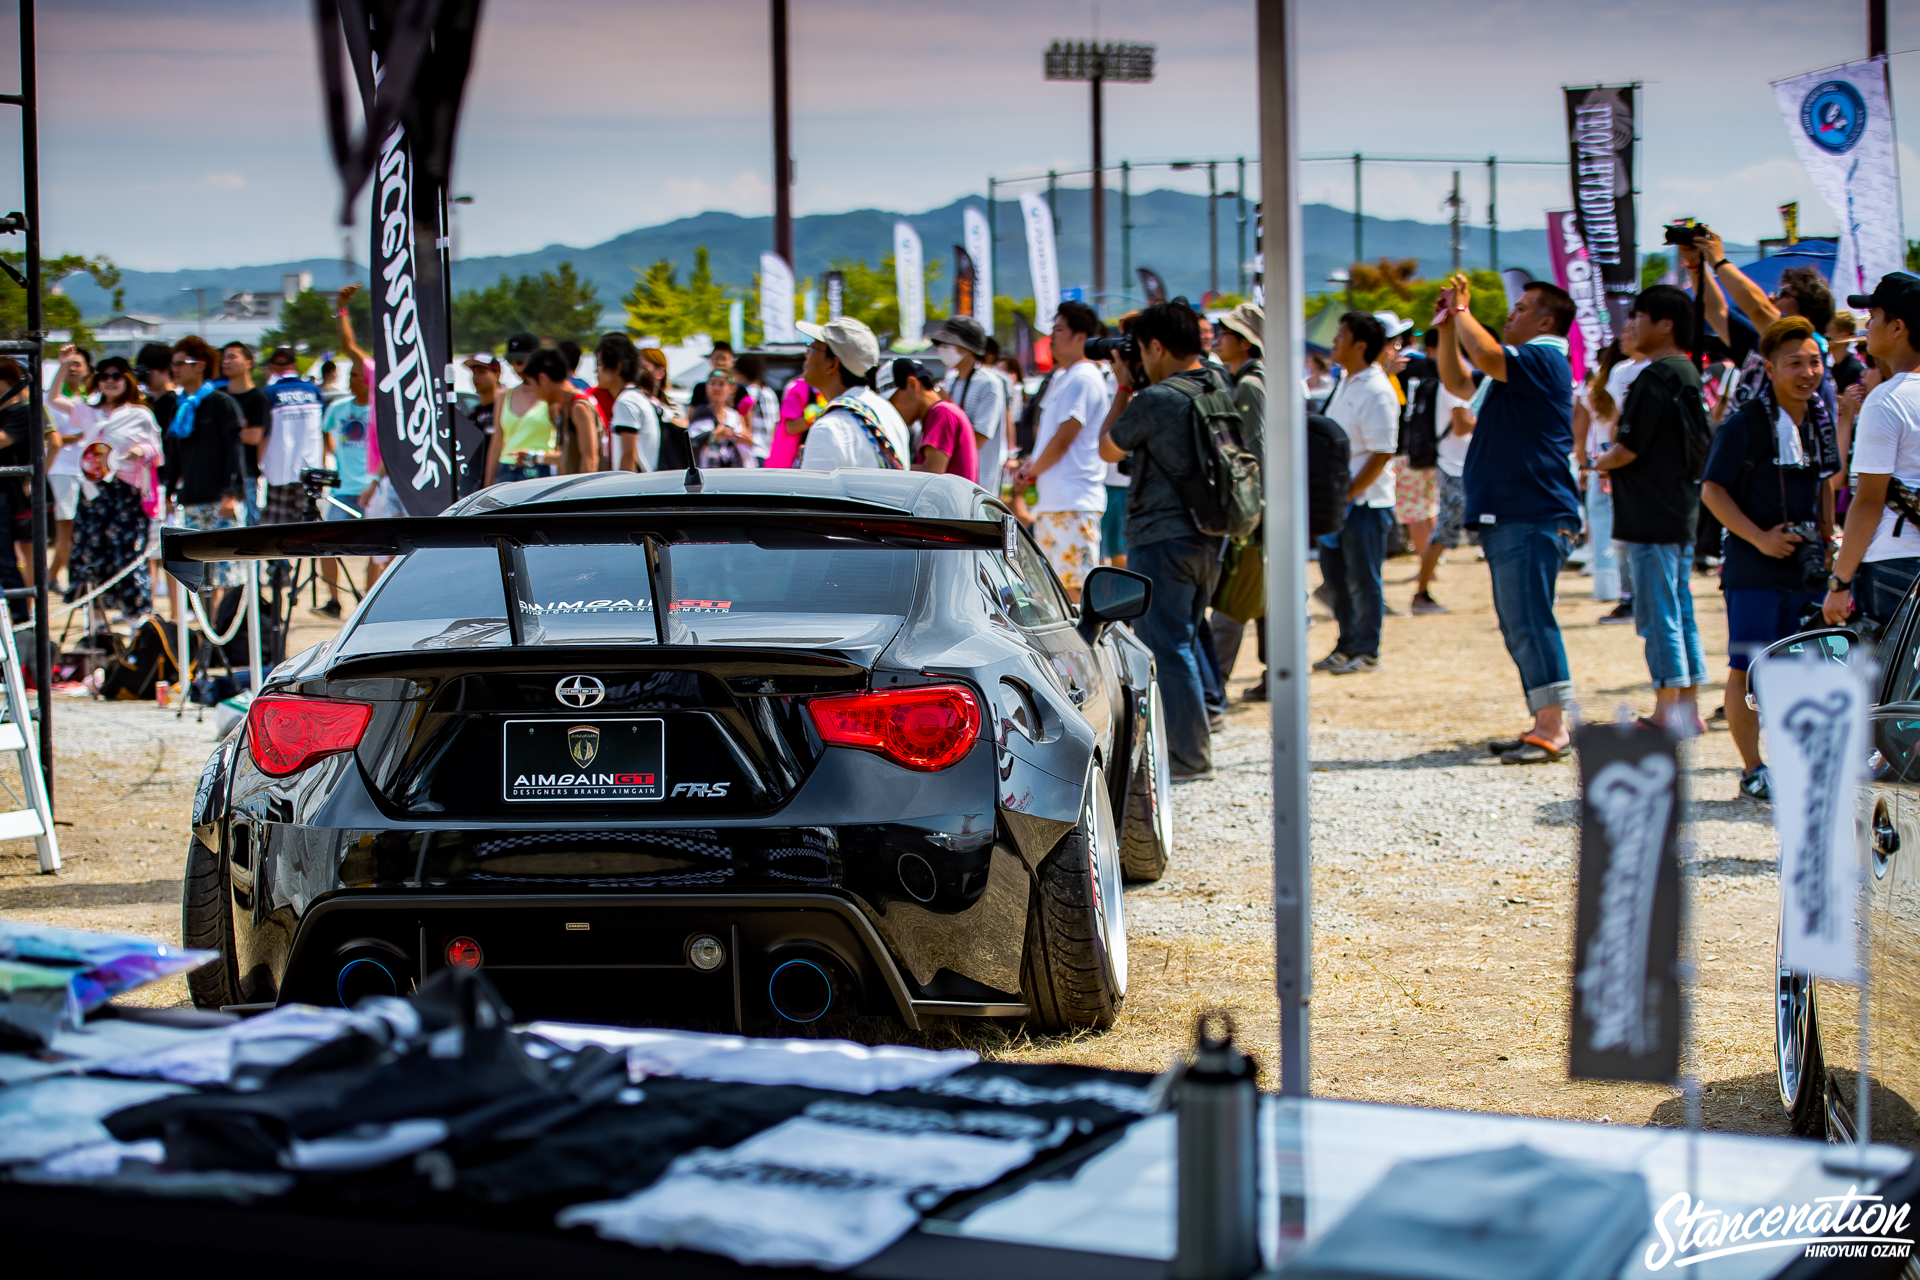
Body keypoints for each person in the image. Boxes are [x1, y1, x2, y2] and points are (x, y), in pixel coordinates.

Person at [1433, 273, 1583, 764]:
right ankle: (1545, 720)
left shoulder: (1543, 356)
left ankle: (1553, 727)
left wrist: (1461, 312)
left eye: (1520, 309)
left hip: (1532, 511)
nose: (1509, 315)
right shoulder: (1521, 367)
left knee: (1530, 620)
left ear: (1546, 321)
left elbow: (1486, 355)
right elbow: (1458, 382)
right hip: (1518, 512)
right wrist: (1446, 328)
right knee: (1521, 620)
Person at [1700, 315, 1838, 800]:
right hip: (1754, 567)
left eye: (1814, 362)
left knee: (1810, 666)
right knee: (1747, 667)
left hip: (1807, 566)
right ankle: (1753, 769)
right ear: (1771, 368)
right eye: (1794, 363)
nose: (1807, 373)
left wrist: (1828, 535)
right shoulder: (1744, 422)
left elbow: (1825, 481)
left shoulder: (1820, 418)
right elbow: (1712, 491)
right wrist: (1759, 539)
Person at [1097, 299, 1232, 782]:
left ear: (1155, 347)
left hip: (1162, 536)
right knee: (1185, 640)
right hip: (1209, 534)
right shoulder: (1218, 385)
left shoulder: (1156, 399)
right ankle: (1193, 742)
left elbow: (1108, 446)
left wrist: (1124, 386)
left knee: (1167, 646)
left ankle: (1190, 758)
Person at [1595, 284, 1709, 734]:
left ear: (1665, 324)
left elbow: (1628, 449)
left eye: (1638, 316)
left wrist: (1599, 461)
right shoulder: (1688, 373)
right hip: (1679, 508)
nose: (1631, 325)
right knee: (1681, 610)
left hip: (1650, 514)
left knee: (1658, 613)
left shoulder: (1654, 377)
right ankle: (1689, 709)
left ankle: (1666, 713)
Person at [1823, 272, 1920, 627]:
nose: (1866, 327)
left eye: (1874, 317)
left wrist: (1839, 581)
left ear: (1897, 327)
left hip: (1895, 562)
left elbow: (1868, 501)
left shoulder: (1886, 400)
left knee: (1886, 664)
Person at [1314, 311, 1398, 676]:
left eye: (1340, 336)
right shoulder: (1346, 382)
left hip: (1364, 503)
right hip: (1338, 503)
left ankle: (1367, 649)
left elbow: (1382, 452)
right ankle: (1347, 643)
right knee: (1335, 577)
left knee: (1364, 579)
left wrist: (1348, 493)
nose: (1334, 342)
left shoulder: (1377, 390)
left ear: (1360, 345)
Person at [1014, 301, 1111, 601]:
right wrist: (1031, 469)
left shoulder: (1083, 377)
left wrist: (1030, 471)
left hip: (1073, 500)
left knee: (1074, 591)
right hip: (1058, 501)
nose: (1052, 338)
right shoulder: (1065, 377)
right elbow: (1052, 439)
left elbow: (1063, 439)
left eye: (1059, 330)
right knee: (1054, 592)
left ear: (1080, 337)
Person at [68, 356, 160, 616]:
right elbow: (53, 401)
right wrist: (65, 365)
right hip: (93, 490)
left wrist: (135, 451)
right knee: (91, 552)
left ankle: (136, 619)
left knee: (128, 554)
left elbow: (155, 450)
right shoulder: (89, 411)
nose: (110, 381)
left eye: (116, 376)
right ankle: (96, 621)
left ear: (127, 380)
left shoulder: (140, 413)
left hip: (126, 490)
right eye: (104, 376)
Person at [160, 335, 246, 598]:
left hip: (219, 498)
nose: (175, 369)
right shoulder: (180, 406)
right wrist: (169, 492)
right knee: (199, 576)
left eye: (181, 363)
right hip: (192, 498)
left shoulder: (220, 403)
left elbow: (235, 451)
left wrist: (232, 492)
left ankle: (224, 622)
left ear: (200, 365)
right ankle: (204, 623)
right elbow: (174, 454)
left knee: (225, 571)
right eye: (173, 364)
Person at [1571, 342, 1641, 610]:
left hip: (1599, 458)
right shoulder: (1629, 376)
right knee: (1625, 526)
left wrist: (1584, 464)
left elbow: (1580, 431)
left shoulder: (1593, 386)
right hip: (1625, 458)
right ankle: (1629, 587)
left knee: (1600, 523)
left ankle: (1609, 585)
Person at [795, 316, 909, 472]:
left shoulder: (829, 428)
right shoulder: (887, 411)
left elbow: (813, 488)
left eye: (813, 347)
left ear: (832, 364)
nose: (806, 354)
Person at [316, 354, 377, 618]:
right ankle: (333, 601)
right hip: (342, 489)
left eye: (355, 375)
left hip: (371, 489)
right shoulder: (338, 407)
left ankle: (368, 605)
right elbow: (324, 432)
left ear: (368, 380)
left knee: (378, 552)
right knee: (326, 545)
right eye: (350, 375)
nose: (350, 380)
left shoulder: (379, 410)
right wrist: (328, 458)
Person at [1413, 363, 1477, 612]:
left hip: (1459, 465)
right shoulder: (1454, 385)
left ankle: (1421, 592)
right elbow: (1461, 426)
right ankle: (1421, 594)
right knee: (1444, 531)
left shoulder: (1455, 383)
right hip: (1454, 466)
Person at [927, 316, 1009, 497]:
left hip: (981, 486)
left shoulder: (989, 383)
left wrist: (948, 405)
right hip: (953, 483)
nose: (942, 349)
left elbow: (979, 439)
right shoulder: (951, 380)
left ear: (967, 347)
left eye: (947, 344)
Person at [255, 347, 327, 524]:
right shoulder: (314, 391)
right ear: (294, 365)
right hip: (311, 469)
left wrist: (258, 466)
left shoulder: (269, 393)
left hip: (279, 469)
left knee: (278, 528)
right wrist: (323, 463)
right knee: (307, 526)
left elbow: (263, 435)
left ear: (272, 366)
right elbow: (323, 432)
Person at [44, 343, 93, 590]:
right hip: (62, 470)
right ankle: (52, 577)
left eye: (77, 364)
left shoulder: (90, 400)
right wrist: (76, 437)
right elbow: (47, 436)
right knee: (66, 527)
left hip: (89, 474)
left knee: (83, 528)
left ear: (87, 370)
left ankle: (59, 577)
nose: (73, 368)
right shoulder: (53, 399)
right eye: (69, 365)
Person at [889, 358, 976, 482]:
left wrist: (884, 467)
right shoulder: (938, 413)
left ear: (912, 385)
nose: (890, 410)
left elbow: (932, 471)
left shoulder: (943, 412)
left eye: (891, 401)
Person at [486, 331, 552, 484]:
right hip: (506, 470)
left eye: (521, 361)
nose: (516, 367)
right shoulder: (503, 395)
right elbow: (496, 444)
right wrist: (487, 484)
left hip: (541, 469)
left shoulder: (550, 396)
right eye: (512, 362)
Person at [524, 348, 601, 475]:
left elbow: (590, 458)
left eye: (533, 386)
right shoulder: (566, 406)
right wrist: (535, 457)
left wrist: (584, 488)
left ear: (543, 379)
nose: (535, 393)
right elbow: (567, 457)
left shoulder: (579, 407)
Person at [594, 334, 655, 472]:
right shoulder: (635, 397)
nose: (596, 371)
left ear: (617, 367)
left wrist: (622, 485)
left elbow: (629, 455)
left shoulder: (626, 402)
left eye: (600, 364)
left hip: (636, 483)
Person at [221, 341, 267, 524]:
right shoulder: (218, 397)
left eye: (232, 357)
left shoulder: (258, 398)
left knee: (248, 531)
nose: (226, 361)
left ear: (248, 362)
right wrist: (239, 428)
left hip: (246, 475)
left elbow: (254, 437)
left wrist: (223, 432)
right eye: (224, 357)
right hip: (217, 476)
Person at [689, 369, 753, 468]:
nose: (716, 388)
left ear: (731, 388)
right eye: (713, 383)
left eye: (721, 384)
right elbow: (691, 443)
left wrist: (745, 440)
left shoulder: (735, 416)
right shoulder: (700, 413)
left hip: (732, 469)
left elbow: (748, 443)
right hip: (706, 469)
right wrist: (712, 437)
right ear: (707, 387)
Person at [463, 352, 500, 490]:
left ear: (497, 375)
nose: (476, 377)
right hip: (476, 480)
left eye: (482, 372)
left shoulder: (505, 409)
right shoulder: (473, 413)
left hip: (501, 478)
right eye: (474, 373)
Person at [735, 354, 778, 467]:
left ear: (740, 372)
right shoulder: (770, 393)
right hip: (767, 452)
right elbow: (776, 425)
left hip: (749, 453)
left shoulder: (743, 393)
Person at [1830, 313, 1865, 392]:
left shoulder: (1854, 370)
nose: (1825, 335)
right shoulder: (1835, 368)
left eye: (1829, 329)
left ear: (1844, 335)